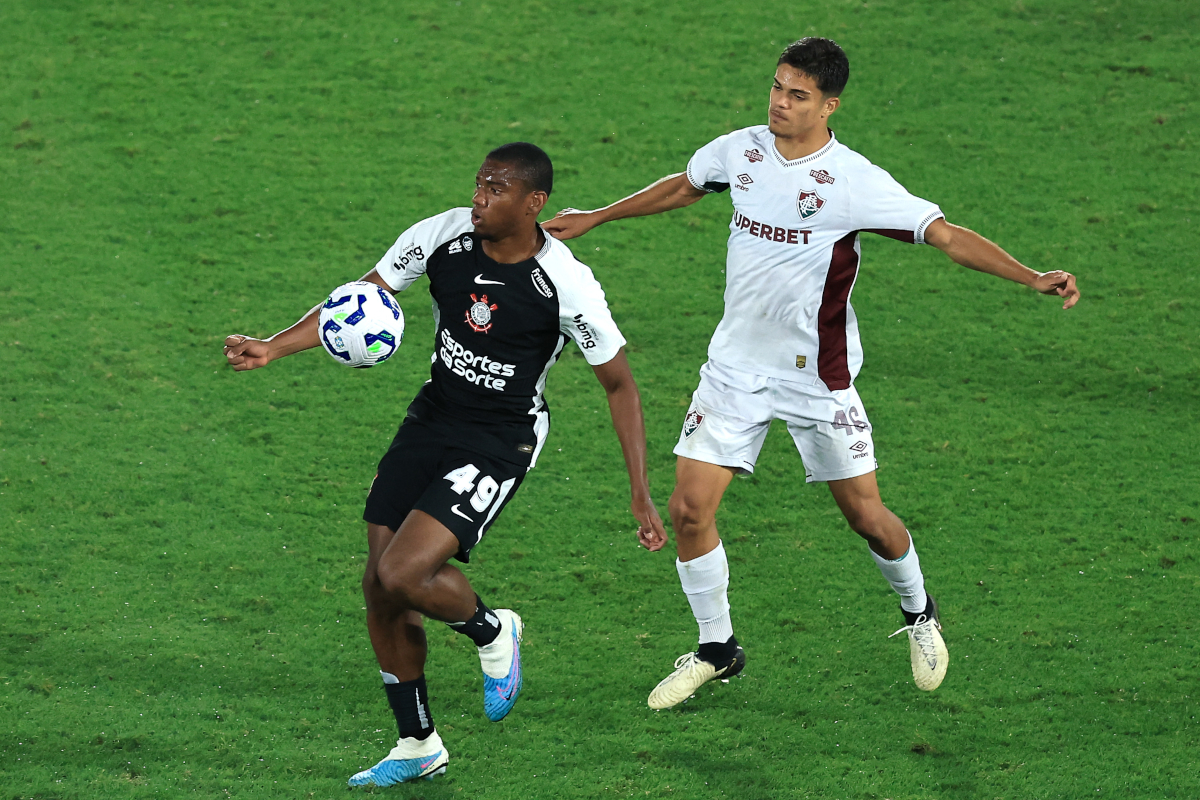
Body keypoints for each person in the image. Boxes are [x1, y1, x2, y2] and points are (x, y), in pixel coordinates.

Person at [543, 38, 1080, 709]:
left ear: (829, 106)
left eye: (797, 95)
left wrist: (1030, 276)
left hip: (815, 379)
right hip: (734, 369)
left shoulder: (853, 181)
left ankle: (919, 613)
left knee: (867, 517)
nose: (779, 102)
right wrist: (600, 214)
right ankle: (718, 649)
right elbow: (687, 185)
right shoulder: (740, 150)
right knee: (688, 510)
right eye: (776, 87)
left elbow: (942, 233)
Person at [224, 142, 667, 785]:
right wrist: (274, 347)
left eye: (496, 190)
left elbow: (620, 386)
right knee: (379, 584)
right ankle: (418, 743)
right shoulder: (443, 237)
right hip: (432, 418)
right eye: (479, 186)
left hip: (501, 438)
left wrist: (640, 492)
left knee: (405, 571)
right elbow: (362, 296)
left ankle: (492, 631)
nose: (479, 200)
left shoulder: (565, 282)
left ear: (533, 203)